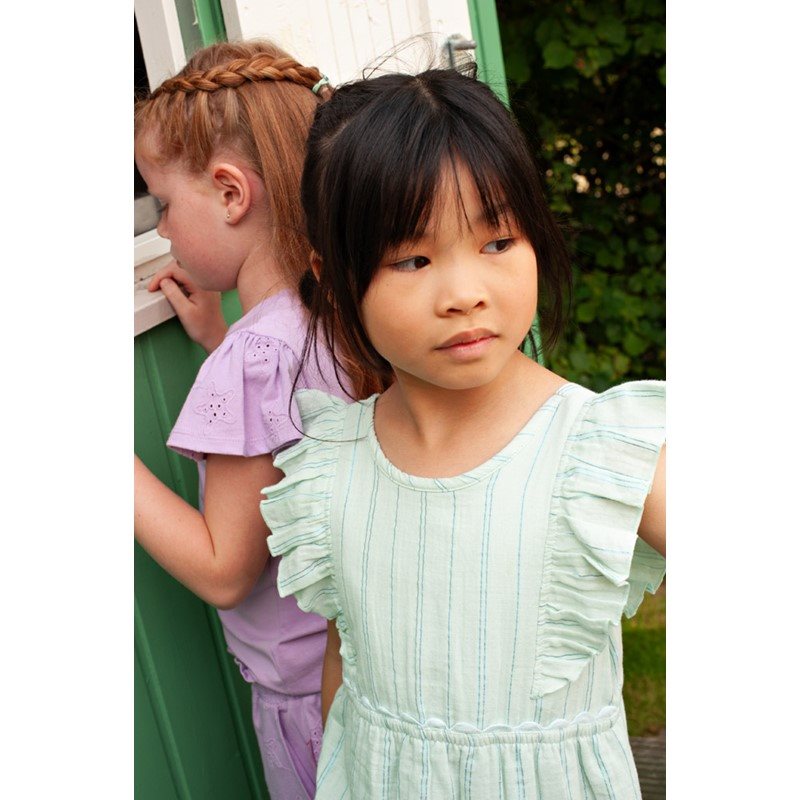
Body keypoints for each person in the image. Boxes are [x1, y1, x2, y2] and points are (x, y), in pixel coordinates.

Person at [260, 66, 666, 798]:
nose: (464, 294)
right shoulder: (330, 468)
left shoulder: (599, 452)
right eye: (412, 259)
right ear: (335, 279)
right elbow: (346, 660)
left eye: (498, 241)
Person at [133, 40, 379, 800]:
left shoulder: (252, 363)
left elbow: (224, 569)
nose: (163, 230)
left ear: (231, 193)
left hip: (311, 708)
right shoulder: (342, 312)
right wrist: (221, 336)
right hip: (375, 680)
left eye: (164, 205)